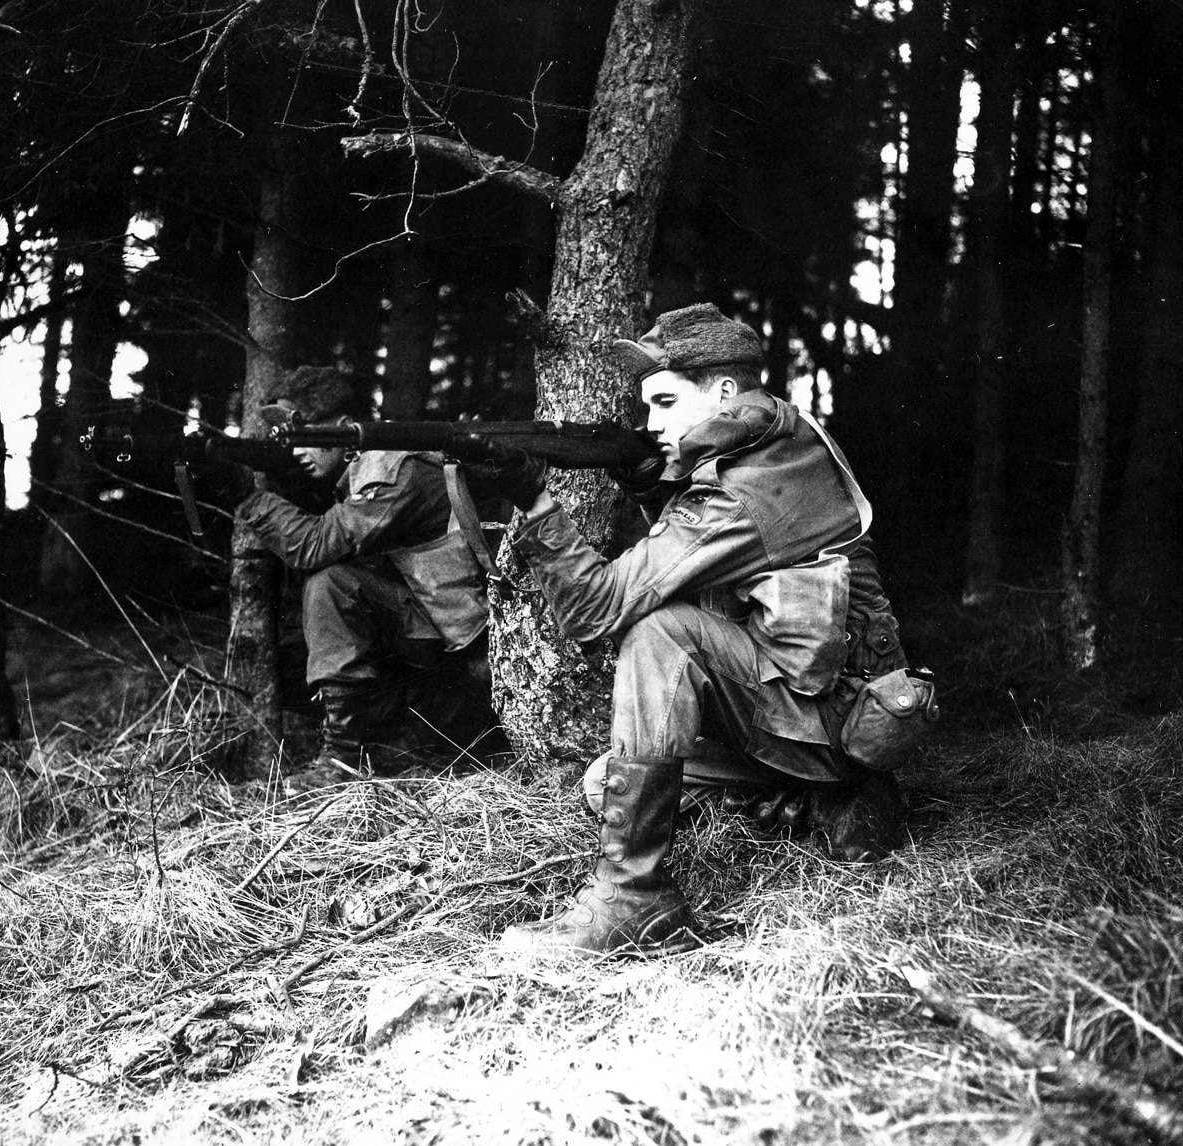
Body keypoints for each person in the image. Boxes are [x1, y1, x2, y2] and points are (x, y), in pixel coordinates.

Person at [461, 303, 936, 956]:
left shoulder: (742, 495)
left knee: (662, 633)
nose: (650, 423)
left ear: (722, 393)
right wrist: (649, 484)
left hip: (828, 725)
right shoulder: (781, 439)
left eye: (663, 402)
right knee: (606, 787)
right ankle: (822, 801)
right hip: (815, 704)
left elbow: (597, 609)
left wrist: (534, 500)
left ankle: (633, 901)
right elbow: (728, 556)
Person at [235, 366, 504, 789]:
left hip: (470, 657)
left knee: (332, 581)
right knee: (287, 665)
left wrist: (249, 498)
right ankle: (400, 740)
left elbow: (315, 545)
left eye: (305, 435)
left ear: (344, 429)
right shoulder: (359, 470)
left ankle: (344, 759)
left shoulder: (391, 469)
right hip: (434, 639)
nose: (296, 451)